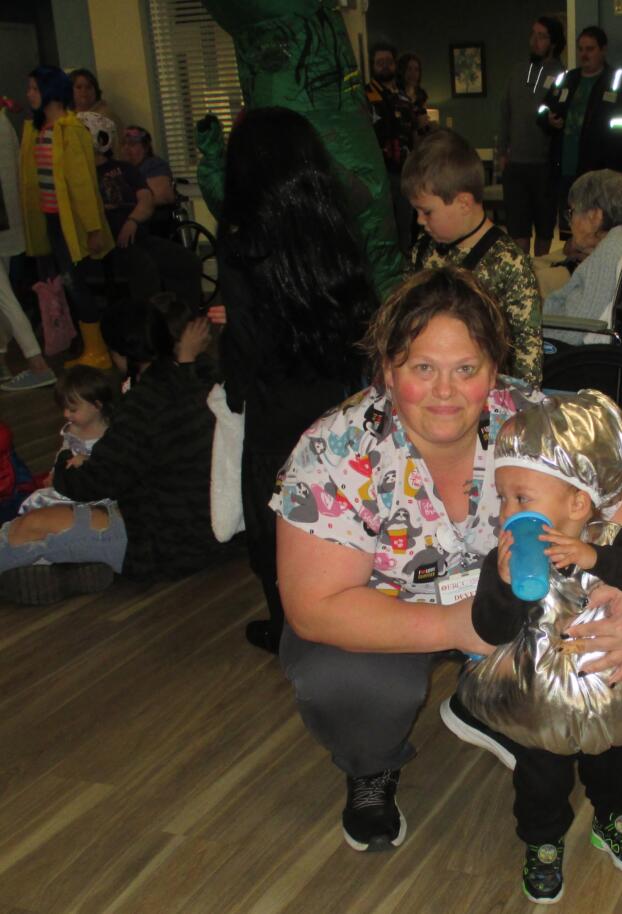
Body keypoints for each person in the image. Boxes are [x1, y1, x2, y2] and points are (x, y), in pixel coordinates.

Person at [272, 267, 622, 855]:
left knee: (601, 627)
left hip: (519, 604)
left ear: (494, 369)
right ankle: (371, 765)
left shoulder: (534, 419)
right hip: (393, 611)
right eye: (422, 368)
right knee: (346, 680)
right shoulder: (334, 449)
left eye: (466, 369)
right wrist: (458, 626)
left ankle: (497, 707)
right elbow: (314, 607)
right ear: (387, 368)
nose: (445, 392)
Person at [459, 390, 622, 903]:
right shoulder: (505, 558)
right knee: (540, 775)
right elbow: (489, 628)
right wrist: (503, 585)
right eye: (503, 498)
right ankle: (542, 841)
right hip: (540, 698)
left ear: (578, 503)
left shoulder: (610, 538)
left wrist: (594, 558)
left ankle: (614, 817)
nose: (507, 512)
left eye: (522, 499)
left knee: (619, 759)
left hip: (612, 685)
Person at [212, 106, 376, 655]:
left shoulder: (242, 240)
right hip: (338, 391)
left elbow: (249, 343)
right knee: (340, 499)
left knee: (274, 510)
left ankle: (288, 624)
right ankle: (348, 605)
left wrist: (230, 377)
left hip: (275, 400)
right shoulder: (336, 225)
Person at [0, 294, 225, 604]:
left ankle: (62, 562)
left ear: (120, 353)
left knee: (31, 526)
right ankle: (70, 567)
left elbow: (93, 483)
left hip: (161, 543)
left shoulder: (145, 402)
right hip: (208, 532)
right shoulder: (201, 377)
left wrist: (64, 463)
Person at [404, 128, 543, 385]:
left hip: (484, 390)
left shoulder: (508, 262)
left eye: (427, 212)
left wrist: (517, 402)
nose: (420, 221)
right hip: (429, 382)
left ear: (464, 203)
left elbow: (527, 351)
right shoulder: (423, 250)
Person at [19, 65, 114, 369]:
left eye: (35, 88)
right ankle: (78, 343)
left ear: (50, 91)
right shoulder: (37, 129)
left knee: (75, 283)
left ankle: (98, 350)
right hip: (49, 221)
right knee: (59, 284)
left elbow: (83, 185)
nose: (29, 94)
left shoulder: (70, 129)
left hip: (70, 223)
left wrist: (93, 228)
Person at [79, 111, 203, 311]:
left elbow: (146, 199)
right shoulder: (81, 176)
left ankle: (183, 319)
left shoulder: (125, 169)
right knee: (145, 269)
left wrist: (133, 221)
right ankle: (149, 324)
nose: (127, 148)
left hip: (139, 236)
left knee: (190, 262)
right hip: (109, 244)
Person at [538, 26, 622, 243]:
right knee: (570, 234)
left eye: (590, 49)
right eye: (581, 49)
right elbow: (542, 109)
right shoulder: (567, 79)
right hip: (566, 171)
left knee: (599, 233)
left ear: (603, 50)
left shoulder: (619, 82)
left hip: (600, 176)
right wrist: (548, 119)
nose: (584, 54)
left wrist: (608, 164)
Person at [542, 170, 622, 344]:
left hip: (577, 352)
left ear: (595, 215)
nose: (570, 222)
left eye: (572, 212)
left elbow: (574, 332)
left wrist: (534, 332)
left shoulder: (608, 254)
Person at [0, 98, 56, 391]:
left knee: (4, 297)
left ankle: (37, 364)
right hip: (8, 222)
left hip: (6, 221)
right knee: (3, 296)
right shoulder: (3, 120)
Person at [499, 17, 567, 257]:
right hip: (516, 165)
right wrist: (502, 152)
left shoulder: (563, 75)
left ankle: (540, 274)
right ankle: (523, 275)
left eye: (542, 36)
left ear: (554, 42)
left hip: (545, 166)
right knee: (518, 232)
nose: (535, 41)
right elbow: (505, 112)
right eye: (533, 34)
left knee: (545, 231)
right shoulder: (518, 71)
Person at [18, 366, 114, 513]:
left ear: (97, 405)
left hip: (99, 489)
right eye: (64, 408)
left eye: (72, 410)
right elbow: (63, 451)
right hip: (71, 483)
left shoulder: (111, 432)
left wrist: (89, 461)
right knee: (36, 500)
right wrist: (54, 472)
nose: (66, 414)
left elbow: (115, 465)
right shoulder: (72, 429)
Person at [365, 42, 426, 253]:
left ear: (394, 64)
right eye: (379, 62)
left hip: (404, 170)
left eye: (388, 61)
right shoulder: (366, 95)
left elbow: (414, 132)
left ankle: (405, 265)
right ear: (373, 65)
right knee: (383, 228)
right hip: (379, 173)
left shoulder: (403, 97)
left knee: (405, 226)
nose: (384, 65)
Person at [121, 125, 175, 209]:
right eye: (123, 144)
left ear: (145, 147)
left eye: (132, 144)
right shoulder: (120, 168)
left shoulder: (155, 165)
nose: (126, 148)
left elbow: (163, 196)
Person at [69, 68, 123, 145]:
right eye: (79, 87)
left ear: (95, 91)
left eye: (89, 87)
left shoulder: (106, 117)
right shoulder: (65, 117)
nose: (84, 91)